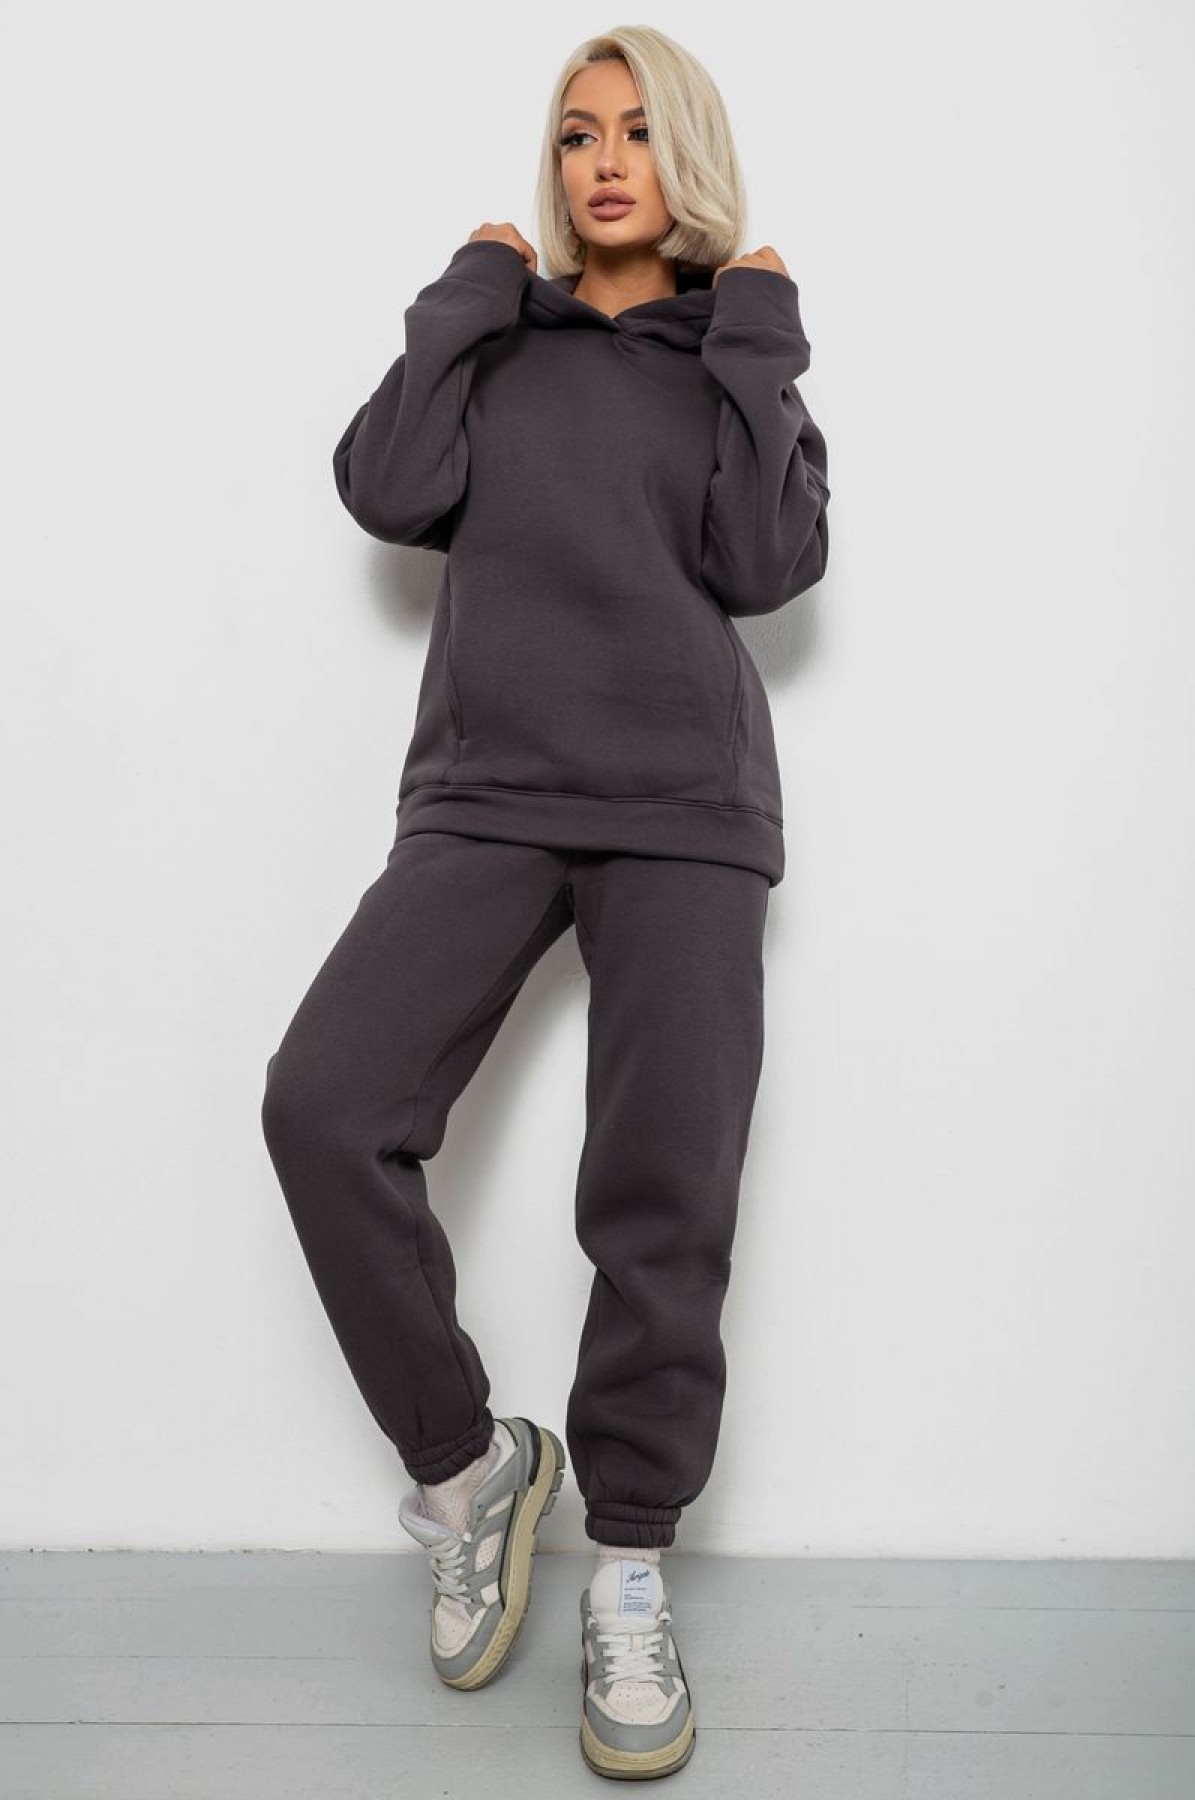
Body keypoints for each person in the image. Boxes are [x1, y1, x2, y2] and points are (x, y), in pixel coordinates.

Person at [260, 24, 830, 1782]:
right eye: (578, 135)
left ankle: (631, 1571)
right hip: (489, 796)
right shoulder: (494, 343)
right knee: (323, 1107)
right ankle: (472, 1471)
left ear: (687, 159)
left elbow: (769, 564)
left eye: (639, 134)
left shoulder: (727, 354)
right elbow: (386, 489)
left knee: (663, 1198)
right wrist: (465, 292)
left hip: (685, 809)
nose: (604, 163)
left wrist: (759, 336)